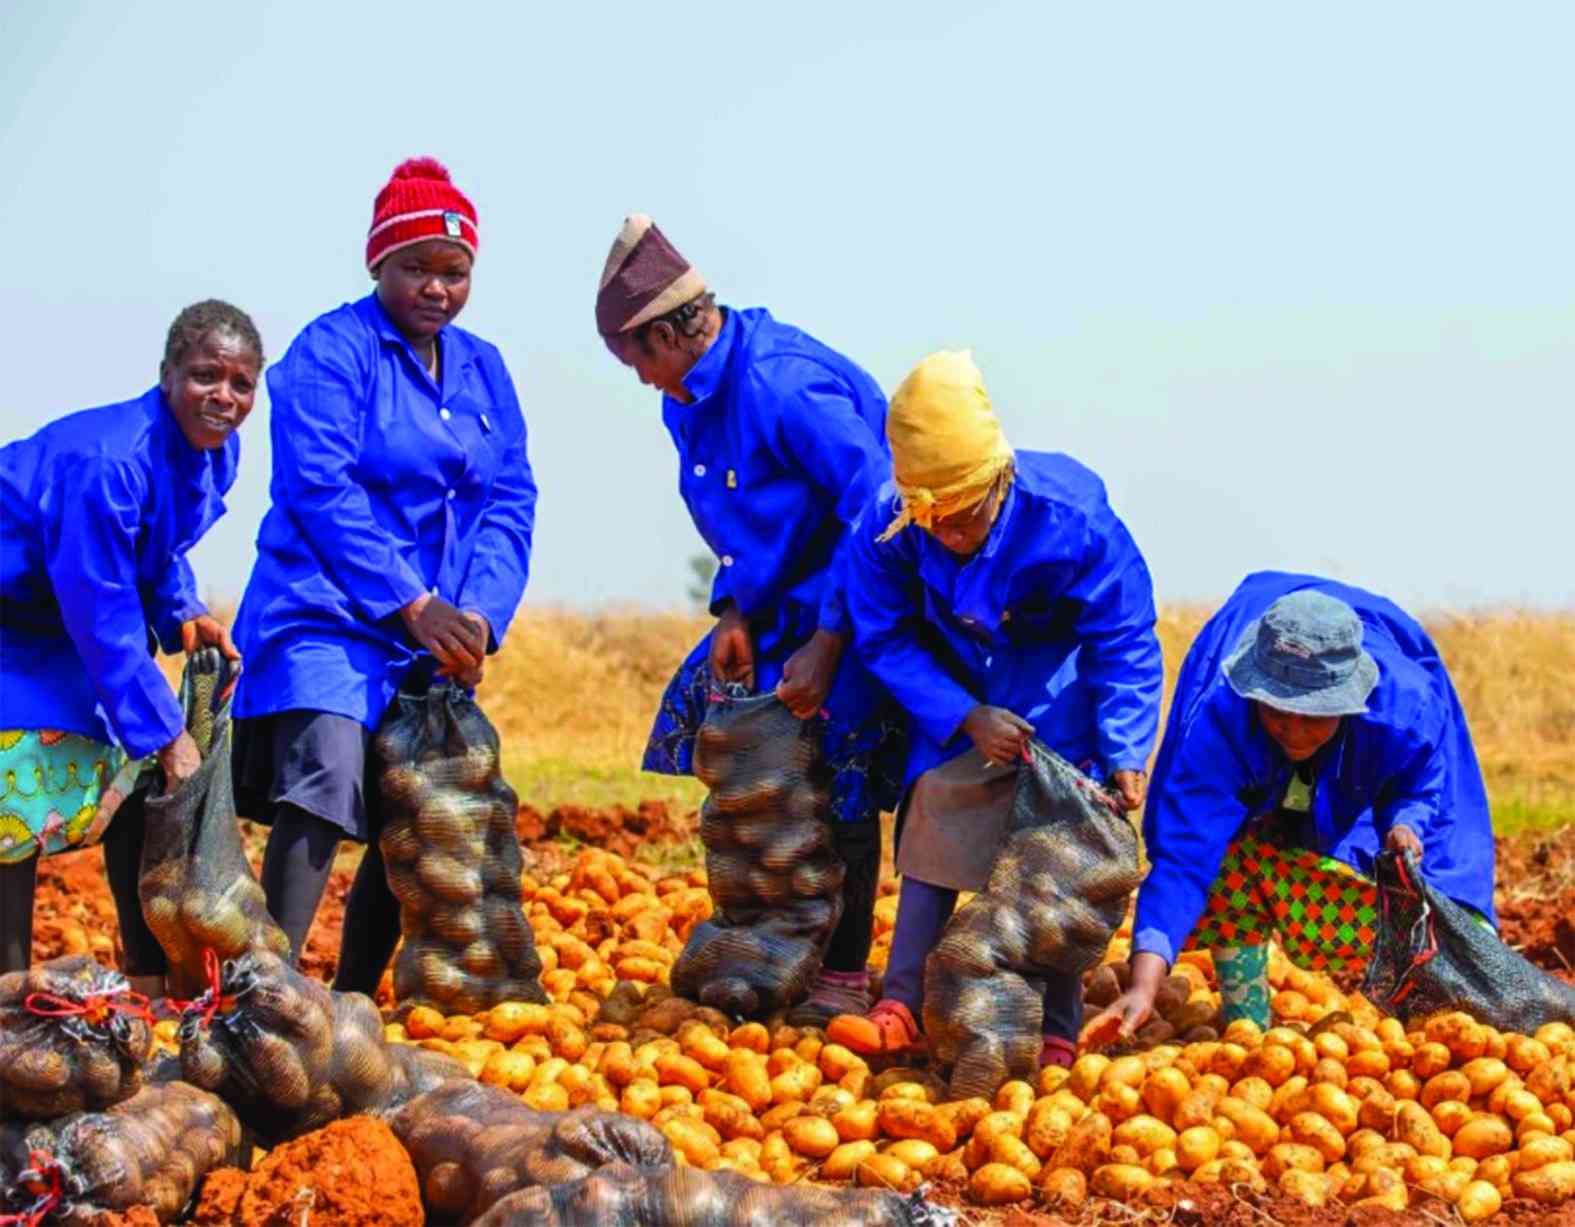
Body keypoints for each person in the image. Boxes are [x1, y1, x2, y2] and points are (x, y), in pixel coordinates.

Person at [231, 157, 535, 993]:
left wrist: (477, 613)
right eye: (416, 269)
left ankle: (351, 1000)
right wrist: (409, 599)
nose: (436, 289)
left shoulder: (485, 369)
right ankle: (262, 992)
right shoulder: (331, 352)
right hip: (326, 609)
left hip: (433, 628)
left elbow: (510, 497)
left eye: (455, 272)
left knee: (419, 803)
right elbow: (316, 488)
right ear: (378, 265)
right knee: (326, 775)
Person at [597, 214, 905, 1026]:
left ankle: (839, 971)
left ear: (669, 330)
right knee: (738, 757)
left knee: (839, 774)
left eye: (637, 358)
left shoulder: (780, 384)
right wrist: (733, 609)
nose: (637, 379)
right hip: (775, 605)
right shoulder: (687, 398)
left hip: (859, 597)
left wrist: (829, 641)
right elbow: (735, 522)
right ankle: (772, 940)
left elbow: (876, 509)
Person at [827, 350, 1163, 1065]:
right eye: (933, 520)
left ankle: (1052, 1027)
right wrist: (961, 713)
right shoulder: (889, 524)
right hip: (955, 688)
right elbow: (882, 634)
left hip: (1056, 694)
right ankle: (902, 1002)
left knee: (1057, 855)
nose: (947, 533)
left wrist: (1126, 746)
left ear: (998, 481)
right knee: (934, 817)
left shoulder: (1071, 517)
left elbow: (1123, 635)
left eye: (962, 517)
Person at [1090, 573, 1498, 1039]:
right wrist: (1144, 986)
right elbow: (1184, 857)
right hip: (1241, 677)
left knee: (1450, 914)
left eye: (1316, 717)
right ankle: (1249, 1035)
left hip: (1391, 720)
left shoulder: (1403, 708)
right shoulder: (1224, 718)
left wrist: (1407, 823)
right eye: (1278, 712)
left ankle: (1444, 1027)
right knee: (1227, 858)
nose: (1295, 731)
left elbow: (1419, 783)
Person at [0, 300, 262, 983]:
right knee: (15, 799)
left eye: (241, 384)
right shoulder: (109, 460)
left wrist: (183, 610)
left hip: (59, 623)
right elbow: (102, 606)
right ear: (168, 374)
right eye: (207, 375)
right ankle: (7, 999)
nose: (224, 397)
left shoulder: (211, 454)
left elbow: (157, 546)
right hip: (18, 627)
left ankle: (147, 981)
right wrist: (166, 732)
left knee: (135, 794)